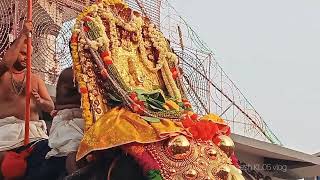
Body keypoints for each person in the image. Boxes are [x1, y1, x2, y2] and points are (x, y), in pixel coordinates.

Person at [0, 21, 54, 179]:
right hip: (5, 136)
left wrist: (42, 102)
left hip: (33, 136)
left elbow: (50, 106)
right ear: (14, 50)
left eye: (29, 56)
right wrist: (23, 34)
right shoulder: (3, 74)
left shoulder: (36, 79)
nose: (26, 59)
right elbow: (5, 63)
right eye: (23, 53)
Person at [46, 67, 84, 175]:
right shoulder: (71, 73)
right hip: (66, 119)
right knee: (75, 148)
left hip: (83, 118)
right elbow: (88, 86)